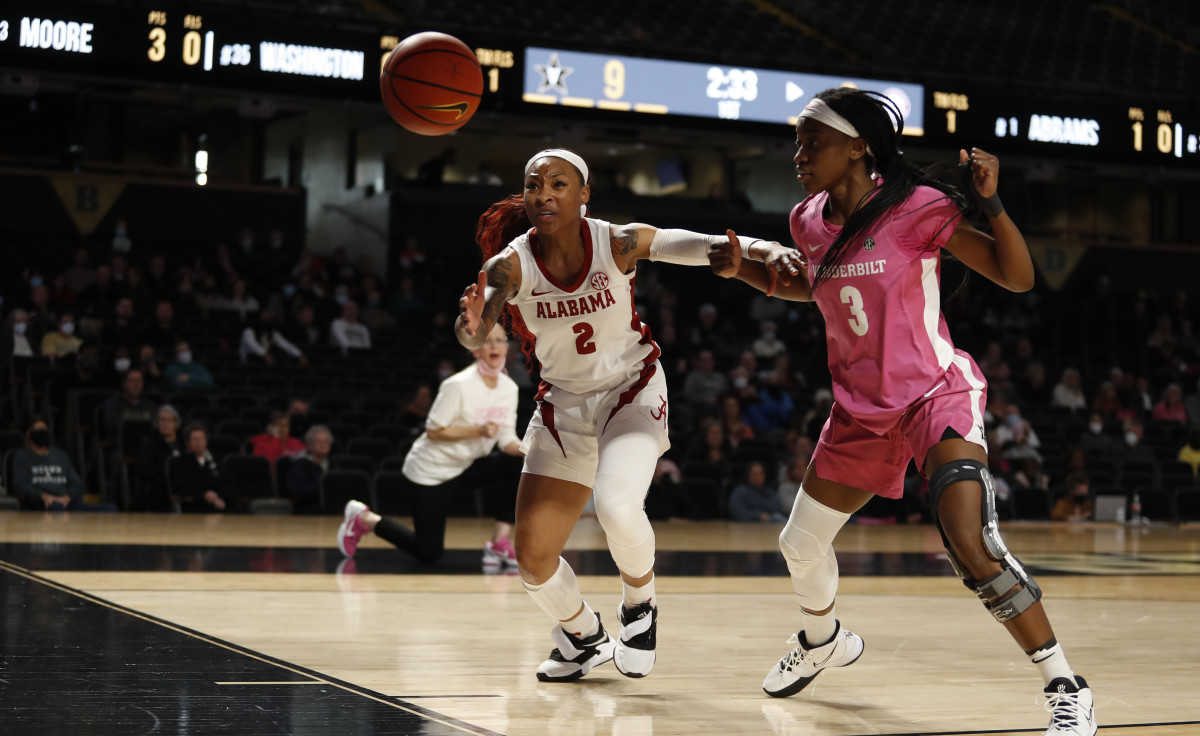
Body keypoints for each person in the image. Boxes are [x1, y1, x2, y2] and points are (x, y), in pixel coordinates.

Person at [707, 89, 1095, 733]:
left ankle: (1065, 684)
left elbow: (1018, 277)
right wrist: (744, 271)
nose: (799, 155)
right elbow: (817, 285)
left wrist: (993, 203)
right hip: (861, 411)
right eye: (797, 143)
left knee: (970, 542)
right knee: (799, 543)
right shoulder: (806, 219)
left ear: (858, 146)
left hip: (934, 395)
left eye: (813, 142)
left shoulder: (918, 207)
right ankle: (822, 640)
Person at [451, 148, 758, 683]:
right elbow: (476, 333)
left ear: (584, 194)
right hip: (563, 404)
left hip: (629, 389)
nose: (544, 194)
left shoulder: (614, 242)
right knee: (533, 560)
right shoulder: (510, 265)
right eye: (534, 185)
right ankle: (583, 637)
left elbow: (690, 243)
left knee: (616, 504)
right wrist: (470, 324)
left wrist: (758, 249)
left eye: (559, 184)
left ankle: (640, 605)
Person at [336, 323, 524, 567]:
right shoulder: (458, 385)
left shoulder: (510, 388)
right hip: (431, 470)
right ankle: (363, 519)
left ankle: (499, 543)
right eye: (487, 340)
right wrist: (477, 430)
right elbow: (434, 431)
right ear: (475, 349)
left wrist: (529, 449)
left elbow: (507, 439)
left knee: (520, 462)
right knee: (429, 553)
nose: (495, 346)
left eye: (500, 340)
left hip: (466, 465)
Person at [11, 417, 85, 510]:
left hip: (65, 501)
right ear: (29, 433)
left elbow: (76, 483)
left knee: (103, 510)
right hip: (42, 503)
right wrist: (42, 496)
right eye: (39, 430)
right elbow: (20, 484)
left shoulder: (60, 455)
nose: (43, 432)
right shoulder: (22, 457)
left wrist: (68, 497)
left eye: (45, 430)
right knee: (57, 508)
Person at [167, 423, 229, 512]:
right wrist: (204, 496)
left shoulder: (215, 459)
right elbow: (181, 487)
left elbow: (228, 483)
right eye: (195, 439)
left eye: (201, 439)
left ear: (206, 441)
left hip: (219, 504)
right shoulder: (179, 461)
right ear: (188, 442)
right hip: (193, 507)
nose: (198, 443)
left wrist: (218, 496)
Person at [135, 405, 184, 511]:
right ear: (157, 423)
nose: (165, 423)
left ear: (176, 423)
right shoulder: (149, 443)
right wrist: (165, 470)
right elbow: (142, 469)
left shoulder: (183, 443)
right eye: (162, 420)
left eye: (169, 420)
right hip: (159, 486)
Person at [284, 425, 335, 513]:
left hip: (331, 511)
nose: (323, 445)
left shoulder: (334, 466)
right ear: (309, 444)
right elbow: (296, 491)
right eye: (318, 441)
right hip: (307, 512)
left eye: (326, 441)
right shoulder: (299, 465)